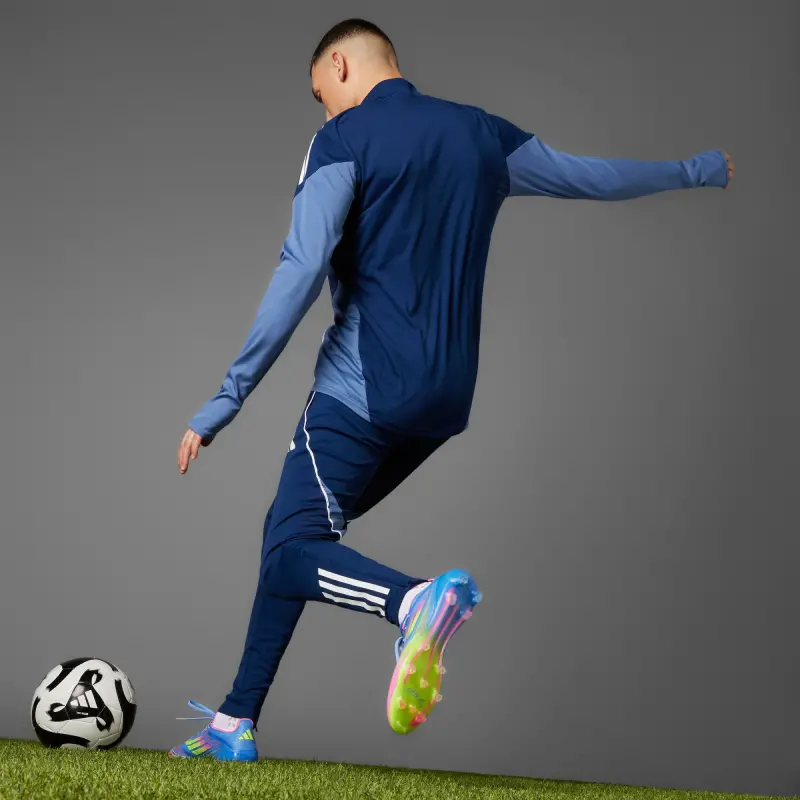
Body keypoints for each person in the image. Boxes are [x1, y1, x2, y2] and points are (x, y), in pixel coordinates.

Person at [169, 19, 735, 761]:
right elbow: (592, 176)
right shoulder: (481, 134)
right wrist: (697, 169)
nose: (323, 108)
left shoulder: (341, 140)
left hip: (363, 390)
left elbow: (301, 269)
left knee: (290, 549)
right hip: (443, 404)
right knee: (294, 534)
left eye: (319, 93)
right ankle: (234, 723)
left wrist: (226, 399)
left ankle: (414, 602)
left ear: (339, 64)